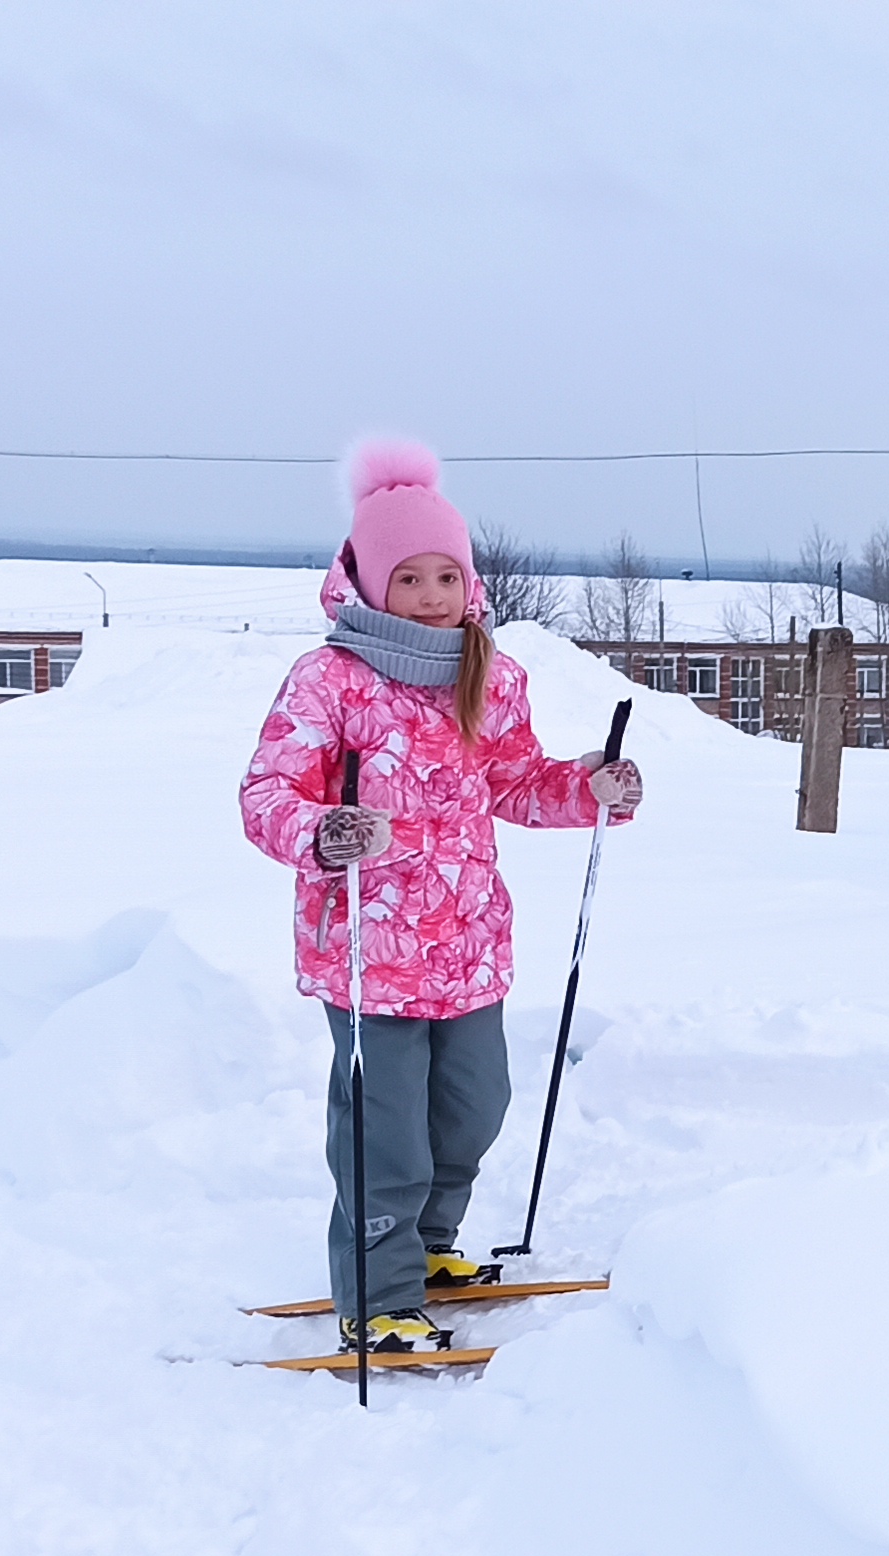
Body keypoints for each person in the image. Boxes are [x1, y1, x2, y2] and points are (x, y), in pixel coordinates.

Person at [239, 439, 646, 1353]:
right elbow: (265, 794)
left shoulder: (488, 678)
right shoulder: (330, 681)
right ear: (370, 583)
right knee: (389, 1139)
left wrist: (589, 790)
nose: (431, 595)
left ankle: (429, 1248)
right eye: (410, 578)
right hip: (368, 958)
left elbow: (513, 781)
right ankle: (379, 1295)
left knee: (475, 1106)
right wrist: (323, 834)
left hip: (466, 949)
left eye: (446, 576)